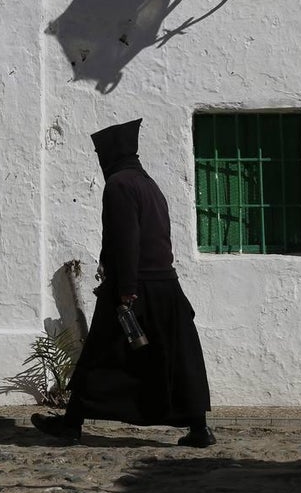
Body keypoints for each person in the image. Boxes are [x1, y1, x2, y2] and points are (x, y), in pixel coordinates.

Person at [31, 118, 215, 447]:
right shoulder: (148, 184)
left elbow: (126, 239)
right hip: (165, 286)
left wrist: (126, 292)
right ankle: (199, 428)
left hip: (134, 286)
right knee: (177, 359)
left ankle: (71, 425)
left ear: (111, 154)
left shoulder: (119, 185)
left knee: (99, 357)